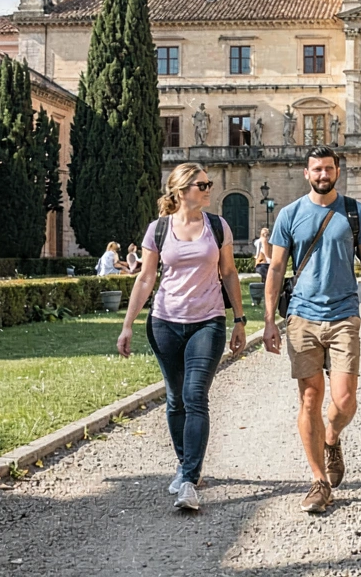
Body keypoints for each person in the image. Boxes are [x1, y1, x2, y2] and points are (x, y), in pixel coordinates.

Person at [262, 146, 361, 514]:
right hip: (301, 315)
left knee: (345, 400)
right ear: (306, 173)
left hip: (344, 313)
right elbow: (276, 268)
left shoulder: (355, 212)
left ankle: (331, 437)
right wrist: (269, 320)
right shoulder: (290, 214)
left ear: (337, 171)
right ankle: (319, 481)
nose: (322, 174)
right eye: (316, 169)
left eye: (328, 168)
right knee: (310, 398)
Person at [116, 163, 246, 512]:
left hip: (208, 321)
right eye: (202, 184)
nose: (208, 188)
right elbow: (146, 278)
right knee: (175, 399)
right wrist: (128, 324)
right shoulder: (158, 229)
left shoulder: (217, 226)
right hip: (165, 322)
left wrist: (239, 319)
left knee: (195, 395)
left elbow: (229, 272)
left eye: (208, 183)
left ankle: (189, 479)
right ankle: (185, 463)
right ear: (181, 190)